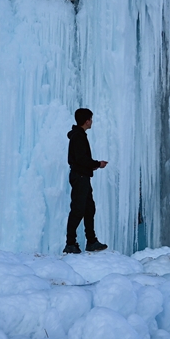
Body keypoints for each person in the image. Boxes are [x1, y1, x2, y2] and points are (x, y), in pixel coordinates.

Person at [65, 107, 108, 254]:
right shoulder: (78, 136)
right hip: (80, 177)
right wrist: (97, 164)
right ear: (86, 120)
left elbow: (80, 160)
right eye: (91, 119)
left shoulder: (79, 135)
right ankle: (70, 243)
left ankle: (91, 241)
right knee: (78, 210)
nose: (92, 121)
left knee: (89, 208)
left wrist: (92, 166)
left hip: (82, 176)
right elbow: (81, 159)